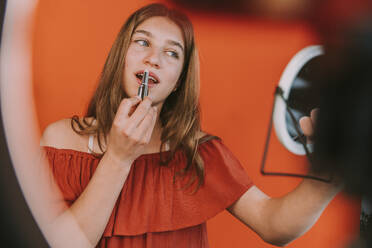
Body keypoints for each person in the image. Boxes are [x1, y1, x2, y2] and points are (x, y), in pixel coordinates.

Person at [39, 3, 341, 248]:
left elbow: (274, 226)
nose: (153, 59)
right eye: (142, 42)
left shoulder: (199, 152)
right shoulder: (61, 140)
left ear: (178, 81)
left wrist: (329, 173)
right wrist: (118, 158)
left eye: (172, 53)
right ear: (121, 58)